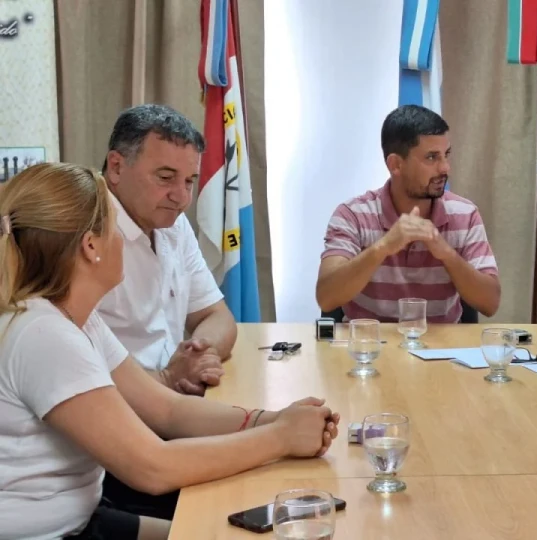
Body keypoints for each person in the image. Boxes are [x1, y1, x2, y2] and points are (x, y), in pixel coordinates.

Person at [0, 163, 339, 540]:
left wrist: (276, 419)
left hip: (83, 518)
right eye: (114, 225)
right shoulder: (44, 334)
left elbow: (167, 409)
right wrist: (281, 439)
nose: (124, 240)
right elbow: (152, 467)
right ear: (90, 246)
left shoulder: (73, 317)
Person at [97, 104, 236, 397]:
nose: (182, 197)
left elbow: (217, 316)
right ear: (117, 167)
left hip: (172, 398)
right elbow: (77, 371)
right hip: (116, 417)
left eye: (189, 181)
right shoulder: (86, 232)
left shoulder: (175, 224)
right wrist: (168, 377)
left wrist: (196, 357)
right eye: (165, 177)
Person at [316, 104, 500, 323]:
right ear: (395, 164)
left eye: (446, 155)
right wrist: (382, 248)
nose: (445, 168)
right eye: (432, 157)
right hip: (369, 348)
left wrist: (446, 253)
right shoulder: (352, 215)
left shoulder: (465, 215)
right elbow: (326, 298)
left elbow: (490, 304)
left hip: (442, 350)